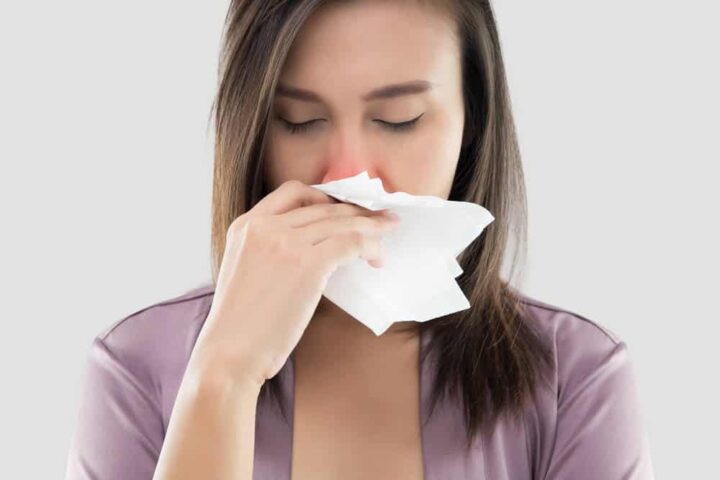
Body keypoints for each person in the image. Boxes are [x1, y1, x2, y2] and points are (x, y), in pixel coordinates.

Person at [64, 1, 655, 479]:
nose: (349, 176)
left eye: (399, 119)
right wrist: (222, 376)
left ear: (473, 119)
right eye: (299, 120)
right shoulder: (137, 371)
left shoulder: (575, 376)